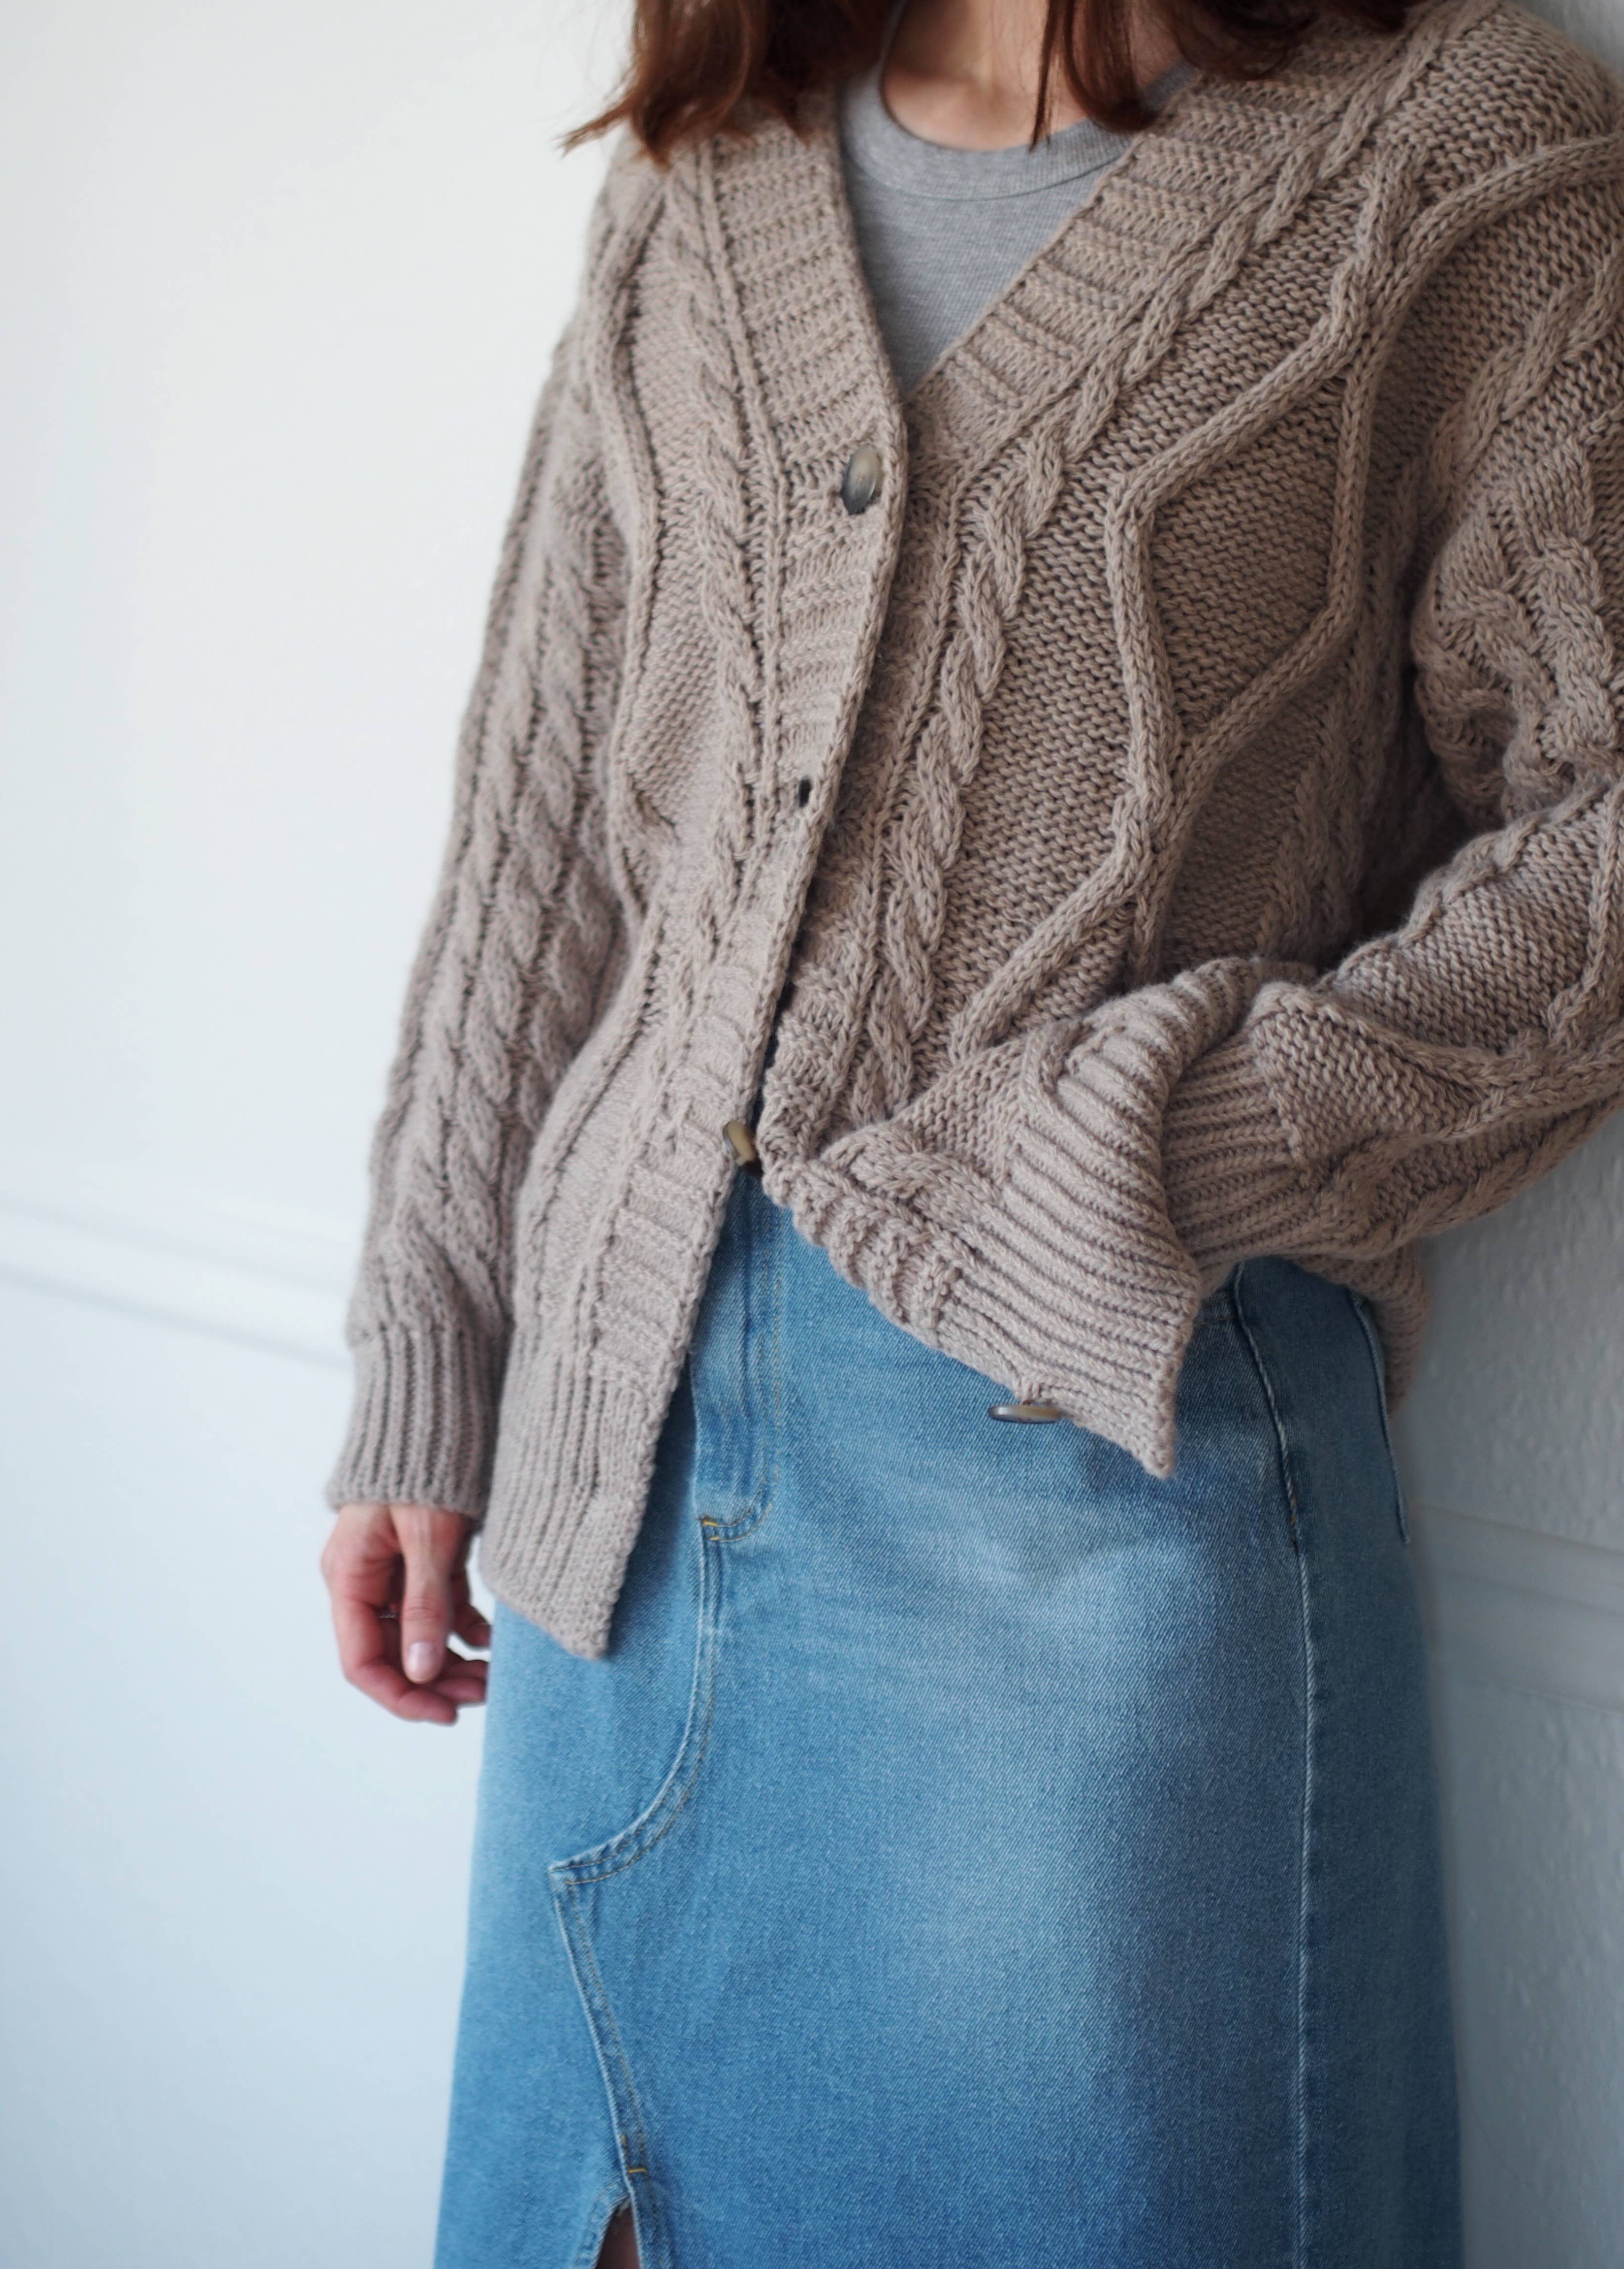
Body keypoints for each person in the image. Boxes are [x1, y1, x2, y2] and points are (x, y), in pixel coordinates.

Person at [318, 0, 1624, 2259]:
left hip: (1094, 1520)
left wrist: (1163, 1144)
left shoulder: (1461, 157)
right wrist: (427, 1350)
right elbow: (540, 821)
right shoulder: (703, 176)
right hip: (610, 1519)